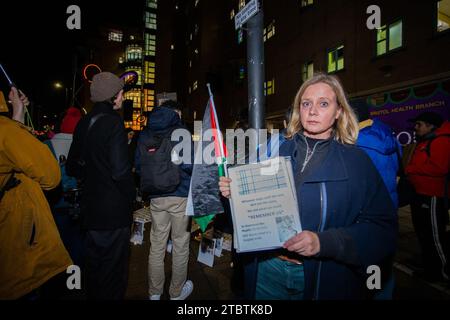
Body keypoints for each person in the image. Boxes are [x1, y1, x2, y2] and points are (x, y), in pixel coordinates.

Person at [219, 73, 397, 300]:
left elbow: (382, 230)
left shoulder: (356, 162)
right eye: (306, 103)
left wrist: (323, 242)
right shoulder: (274, 152)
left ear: (338, 112)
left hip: (322, 277)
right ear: (298, 110)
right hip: (267, 270)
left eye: (323, 103)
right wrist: (234, 196)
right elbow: (252, 214)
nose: (312, 111)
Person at [66, 72, 135, 299]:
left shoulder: (83, 123)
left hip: (89, 210)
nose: (123, 97)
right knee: (113, 274)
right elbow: (120, 172)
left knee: (93, 270)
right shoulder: (114, 123)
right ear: (113, 97)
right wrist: (131, 197)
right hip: (112, 213)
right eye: (121, 93)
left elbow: (72, 168)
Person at [0, 87, 72, 299]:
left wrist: (17, 117)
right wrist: (16, 124)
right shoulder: (5, 131)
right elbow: (50, 176)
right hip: (17, 245)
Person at [135, 101, 194, 300]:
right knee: (180, 245)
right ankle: (176, 293)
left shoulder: (144, 133)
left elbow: (138, 165)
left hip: (155, 197)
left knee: (157, 245)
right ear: (176, 112)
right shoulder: (181, 132)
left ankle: (154, 293)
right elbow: (189, 165)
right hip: (180, 195)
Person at [356, 111, 401, 299]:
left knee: (368, 268)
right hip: (388, 209)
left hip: (367, 213)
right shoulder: (385, 134)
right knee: (382, 265)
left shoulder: (357, 142)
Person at [405, 111, 450, 282]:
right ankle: (430, 267)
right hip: (420, 195)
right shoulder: (426, 140)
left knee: (435, 236)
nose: (415, 128)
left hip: (432, 197)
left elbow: (440, 168)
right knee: (424, 234)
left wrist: (411, 169)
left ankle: (443, 272)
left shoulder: (441, 141)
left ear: (431, 126)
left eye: (419, 125)